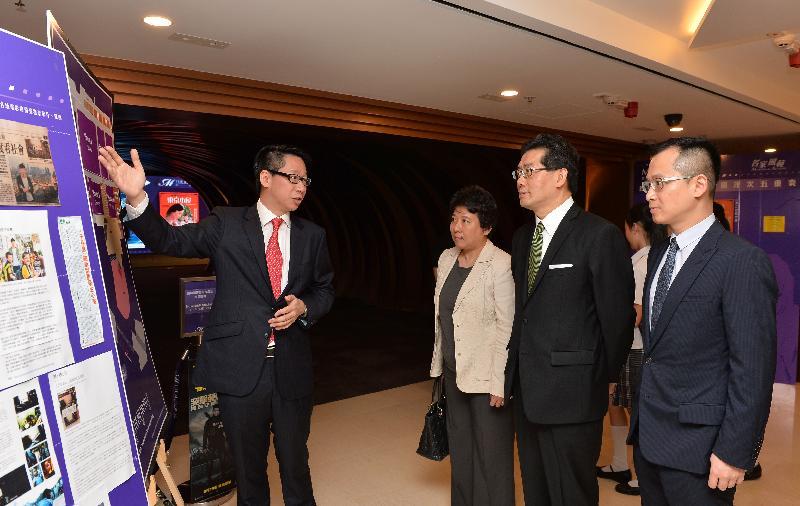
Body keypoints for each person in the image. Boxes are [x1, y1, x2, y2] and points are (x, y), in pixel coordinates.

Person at [99, 143, 334, 506]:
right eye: (293, 178)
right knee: (249, 470)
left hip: (291, 368)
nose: (302, 186)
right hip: (239, 367)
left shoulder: (312, 235)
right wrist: (137, 198)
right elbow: (171, 240)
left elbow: (325, 289)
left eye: (306, 180)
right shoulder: (226, 223)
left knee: (295, 464)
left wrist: (305, 307)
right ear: (266, 178)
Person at [630, 137, 777, 505]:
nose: (650, 194)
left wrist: (734, 451)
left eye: (660, 183)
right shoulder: (660, 252)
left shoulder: (740, 261)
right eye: (648, 184)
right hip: (650, 438)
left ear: (699, 184)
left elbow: (752, 370)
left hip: (702, 448)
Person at [505, 133, 634, 506]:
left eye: (529, 170)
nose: (520, 179)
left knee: (571, 494)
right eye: (518, 171)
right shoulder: (521, 238)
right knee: (537, 491)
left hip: (574, 393)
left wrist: (602, 379)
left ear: (561, 175)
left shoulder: (598, 235)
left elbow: (616, 319)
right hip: (528, 389)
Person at [430, 185, 515, 506]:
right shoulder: (447, 258)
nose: (456, 227)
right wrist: (440, 367)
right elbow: (443, 317)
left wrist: (499, 382)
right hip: (454, 374)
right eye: (454, 219)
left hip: (487, 379)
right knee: (462, 452)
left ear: (486, 227)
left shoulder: (500, 264)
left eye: (466, 220)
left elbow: (506, 326)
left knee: (491, 458)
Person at [597, 203, 665, 496]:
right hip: (638, 349)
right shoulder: (656, 258)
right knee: (617, 403)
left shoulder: (640, 264)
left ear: (635, 227)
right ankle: (619, 464)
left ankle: (639, 475)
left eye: (626, 228)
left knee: (636, 411)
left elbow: (637, 314)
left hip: (635, 349)